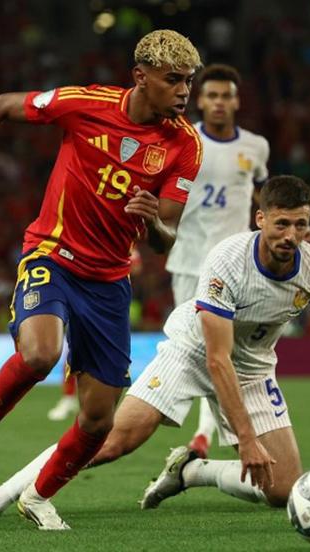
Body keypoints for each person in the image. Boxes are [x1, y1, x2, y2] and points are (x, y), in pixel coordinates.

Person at [0, 29, 203, 530]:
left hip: (109, 280)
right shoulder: (83, 103)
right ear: (141, 78)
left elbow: (167, 237)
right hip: (53, 255)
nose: (185, 91)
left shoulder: (184, 144)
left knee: (99, 418)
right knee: (40, 354)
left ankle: (36, 496)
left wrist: (153, 222)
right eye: (174, 81)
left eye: (189, 81)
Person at [0, 175, 310, 528]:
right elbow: (217, 358)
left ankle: (191, 472)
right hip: (193, 352)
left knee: (283, 489)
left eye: (300, 225)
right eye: (281, 224)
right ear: (260, 219)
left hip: (252, 369)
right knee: (111, 441)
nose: (290, 235)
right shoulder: (228, 262)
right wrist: (247, 440)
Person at [45, 64, 270, 462]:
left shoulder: (255, 147)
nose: (219, 103)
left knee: (225, 353)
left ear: (237, 101)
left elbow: (259, 194)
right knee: (207, 351)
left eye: (227, 96)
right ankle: (198, 435)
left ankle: (208, 439)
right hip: (189, 262)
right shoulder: (182, 139)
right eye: (212, 95)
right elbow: (143, 194)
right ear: (201, 101)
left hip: (237, 267)